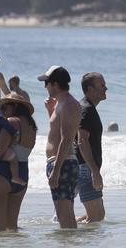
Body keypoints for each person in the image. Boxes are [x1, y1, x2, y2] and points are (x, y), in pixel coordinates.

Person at [0, 94, 37, 231]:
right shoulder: (32, 127)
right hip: (22, 174)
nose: (2, 111)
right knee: (12, 228)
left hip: (0, 174)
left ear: (15, 106)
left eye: (5, 107)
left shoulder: (11, 122)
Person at [39, 65, 80, 229]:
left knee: (64, 217)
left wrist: (56, 170)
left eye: (46, 83)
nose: (45, 87)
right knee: (66, 215)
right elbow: (56, 132)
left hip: (62, 164)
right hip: (60, 162)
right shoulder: (60, 104)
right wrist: (50, 111)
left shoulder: (68, 104)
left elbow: (67, 138)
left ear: (55, 84)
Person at [76, 72, 108, 224]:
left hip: (86, 167)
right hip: (86, 168)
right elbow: (82, 141)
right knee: (96, 217)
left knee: (96, 215)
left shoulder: (87, 108)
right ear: (90, 89)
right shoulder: (86, 109)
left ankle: (67, 226)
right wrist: (94, 171)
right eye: (101, 85)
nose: (105, 88)